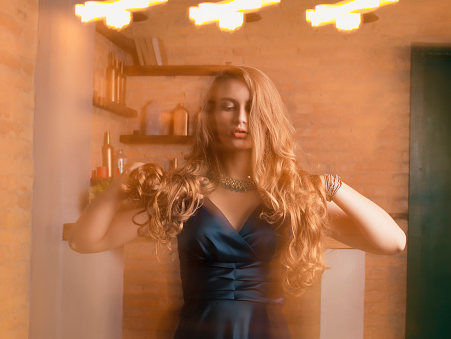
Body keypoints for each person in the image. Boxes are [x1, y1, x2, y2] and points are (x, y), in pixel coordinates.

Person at [69, 65, 406, 338]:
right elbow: (85, 241)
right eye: (229, 106)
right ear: (211, 116)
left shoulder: (288, 197)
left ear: (266, 118)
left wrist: (332, 185)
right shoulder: (183, 195)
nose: (241, 118)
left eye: (251, 108)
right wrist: (119, 185)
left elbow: (392, 242)